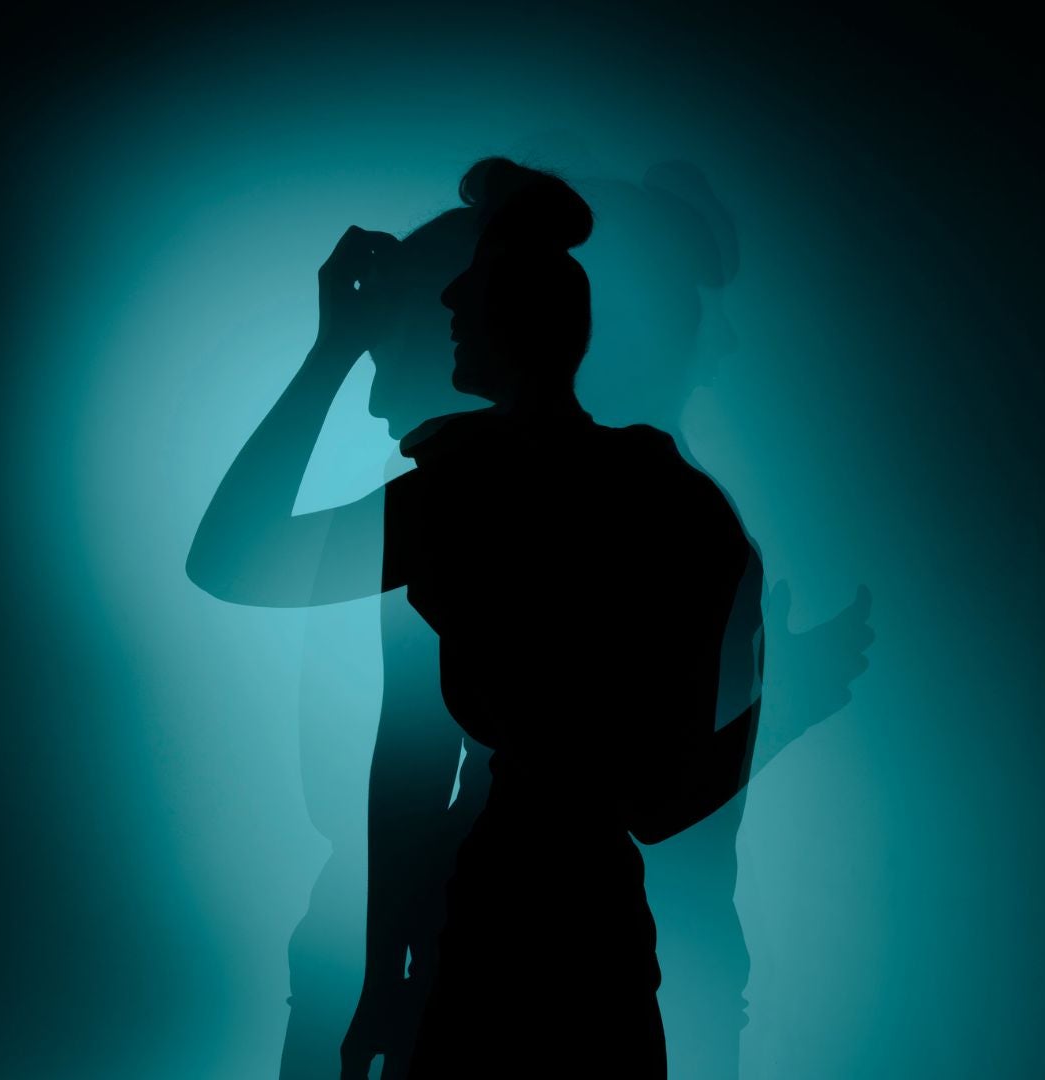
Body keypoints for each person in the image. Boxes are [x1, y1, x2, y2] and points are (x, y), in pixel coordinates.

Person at [188, 161, 764, 1078]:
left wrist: (331, 348)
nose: (454, 302)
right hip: (604, 937)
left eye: (467, 292)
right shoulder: (683, 503)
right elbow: (679, 788)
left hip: (496, 926)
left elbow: (229, 558)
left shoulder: (469, 493)